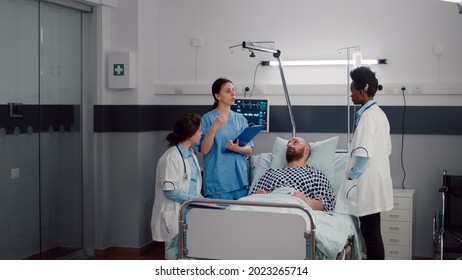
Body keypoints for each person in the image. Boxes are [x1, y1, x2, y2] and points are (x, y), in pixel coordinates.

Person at [335, 66, 393, 260]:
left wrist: (352, 176)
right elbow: (387, 148)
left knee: (371, 235)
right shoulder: (380, 115)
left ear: (362, 91)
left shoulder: (368, 117)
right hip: (376, 180)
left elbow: (363, 154)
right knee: (373, 232)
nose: (351, 96)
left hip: (367, 183)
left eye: (352, 92)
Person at [150, 113, 203, 245]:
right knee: (174, 256)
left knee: (188, 252)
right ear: (190, 134)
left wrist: (202, 200)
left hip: (189, 210)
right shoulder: (170, 158)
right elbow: (170, 191)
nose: (202, 133)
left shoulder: (190, 153)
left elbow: (193, 184)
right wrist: (195, 200)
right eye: (200, 130)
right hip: (174, 213)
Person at [200, 78, 253, 200]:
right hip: (218, 182)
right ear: (218, 96)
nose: (233, 94)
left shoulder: (241, 119)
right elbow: (204, 150)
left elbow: (249, 149)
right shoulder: (207, 119)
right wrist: (213, 128)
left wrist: (237, 148)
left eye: (233, 90)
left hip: (239, 180)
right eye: (228, 91)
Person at [250, 137, 336, 212]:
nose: (290, 145)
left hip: (295, 207)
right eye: (288, 144)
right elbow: (251, 198)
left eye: (295, 142)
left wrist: (306, 200)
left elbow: (328, 204)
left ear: (306, 150)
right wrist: (262, 196)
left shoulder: (316, 174)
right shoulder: (270, 172)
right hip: (268, 206)